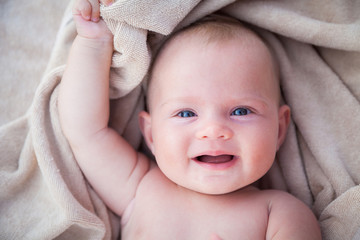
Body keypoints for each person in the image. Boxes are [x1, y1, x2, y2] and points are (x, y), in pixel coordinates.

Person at [58, 0, 322, 239]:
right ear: (151, 135)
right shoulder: (140, 188)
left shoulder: (280, 214)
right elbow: (84, 130)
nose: (214, 130)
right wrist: (94, 42)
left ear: (279, 129)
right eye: (186, 114)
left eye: (241, 111)